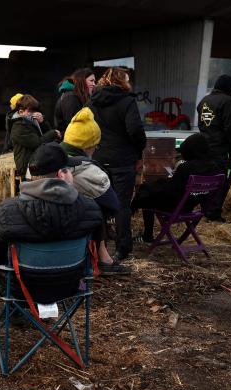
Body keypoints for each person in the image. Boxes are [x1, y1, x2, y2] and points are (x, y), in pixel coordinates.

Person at [0, 143, 102, 302]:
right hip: (71, 286)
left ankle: (17, 308)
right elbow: (93, 250)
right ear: (62, 175)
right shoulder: (91, 209)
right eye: (70, 170)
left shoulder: (7, 211)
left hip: (19, 289)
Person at [60, 107, 130, 275]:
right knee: (94, 210)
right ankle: (102, 260)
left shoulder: (42, 161)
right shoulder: (91, 172)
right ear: (88, 146)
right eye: (95, 145)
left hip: (41, 233)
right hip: (71, 230)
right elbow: (112, 205)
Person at [89, 67, 146, 261]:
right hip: (122, 159)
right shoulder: (127, 101)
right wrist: (140, 150)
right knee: (122, 205)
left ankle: (99, 245)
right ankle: (122, 248)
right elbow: (135, 130)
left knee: (99, 201)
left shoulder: (92, 101)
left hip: (98, 157)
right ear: (122, 81)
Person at [131, 133, 221, 242]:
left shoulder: (186, 168)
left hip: (177, 208)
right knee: (150, 190)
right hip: (191, 206)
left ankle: (147, 235)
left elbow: (171, 191)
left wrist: (150, 187)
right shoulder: (214, 167)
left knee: (145, 194)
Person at [197, 74, 231, 222]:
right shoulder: (227, 102)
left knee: (207, 180)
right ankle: (213, 213)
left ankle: (205, 208)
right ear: (229, 88)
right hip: (222, 152)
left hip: (206, 149)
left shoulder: (204, 101)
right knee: (222, 180)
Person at [9, 94, 60, 179]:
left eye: (35, 111)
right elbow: (37, 143)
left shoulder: (31, 121)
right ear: (21, 112)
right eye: (30, 111)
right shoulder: (18, 126)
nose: (34, 114)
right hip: (28, 166)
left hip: (37, 160)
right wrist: (53, 133)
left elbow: (45, 134)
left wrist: (42, 122)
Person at [54, 68, 96, 133]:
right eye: (91, 80)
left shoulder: (76, 95)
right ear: (81, 80)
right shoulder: (70, 97)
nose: (94, 84)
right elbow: (74, 124)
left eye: (94, 81)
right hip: (70, 140)